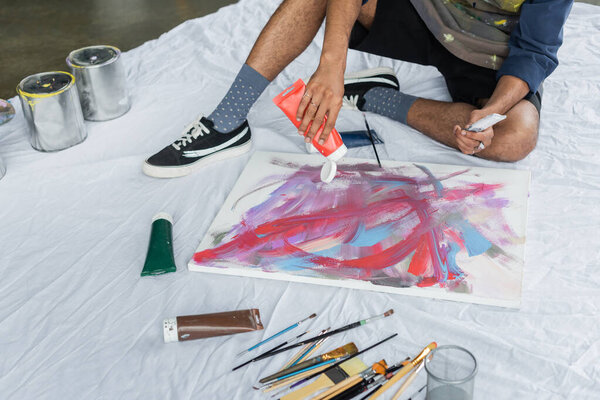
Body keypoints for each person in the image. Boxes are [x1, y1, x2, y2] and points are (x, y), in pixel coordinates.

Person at [142, 0, 573, 178]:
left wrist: (492, 111)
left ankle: (374, 96)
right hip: (425, 17)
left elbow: (534, 51)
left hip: (489, 54)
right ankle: (227, 121)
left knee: (514, 138)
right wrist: (331, 65)